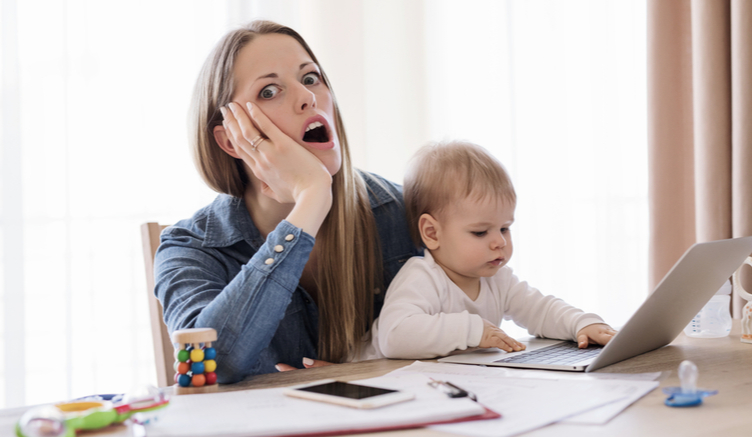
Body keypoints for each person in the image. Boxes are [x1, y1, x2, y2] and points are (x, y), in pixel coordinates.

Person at [154, 21, 419, 383]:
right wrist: (311, 200)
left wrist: (367, 375)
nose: (308, 96)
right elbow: (213, 364)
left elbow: (477, 339)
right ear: (231, 140)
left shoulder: (406, 212)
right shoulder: (190, 248)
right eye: (269, 91)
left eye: (310, 78)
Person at [373, 141, 616, 359]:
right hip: (378, 380)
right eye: (480, 232)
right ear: (432, 233)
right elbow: (394, 337)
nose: (499, 242)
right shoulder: (422, 276)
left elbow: (540, 309)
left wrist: (580, 324)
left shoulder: (499, 279)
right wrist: (472, 330)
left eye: (505, 228)